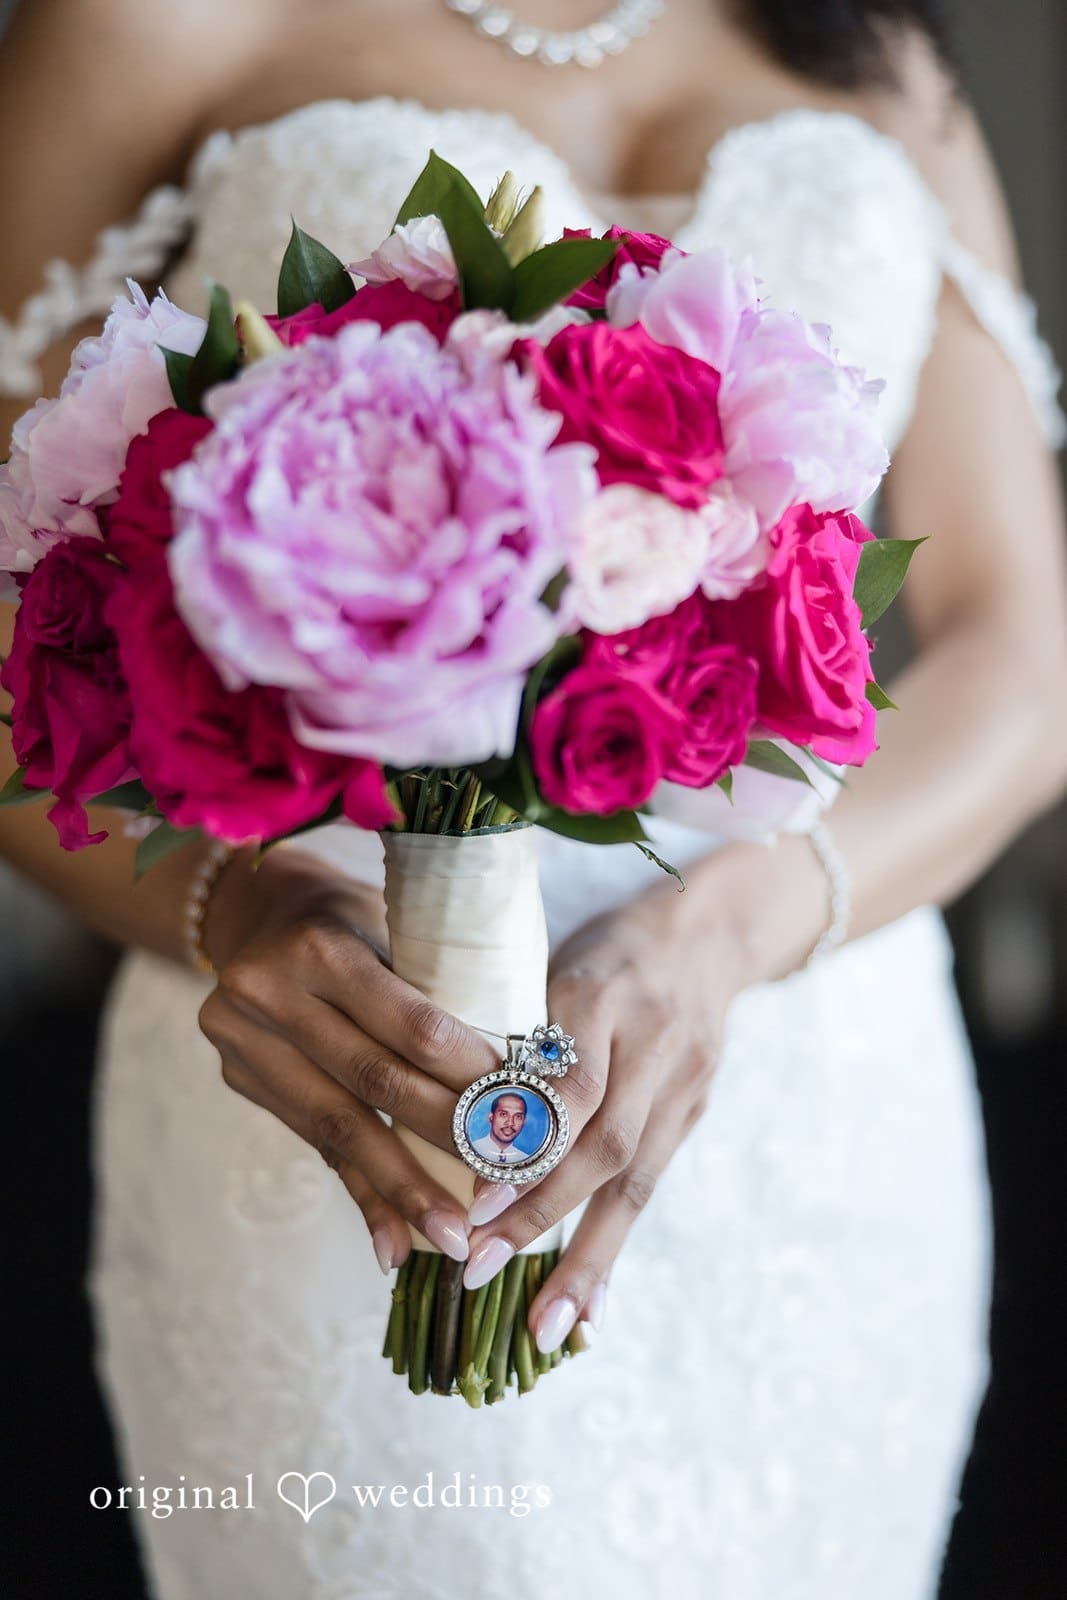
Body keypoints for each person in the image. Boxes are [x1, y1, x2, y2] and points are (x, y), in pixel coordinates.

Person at [2, 1, 1066, 1596]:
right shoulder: (147, 19)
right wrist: (239, 906)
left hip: (808, 1109)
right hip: (345, 1069)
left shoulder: (871, 50)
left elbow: (1021, 657)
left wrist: (725, 931)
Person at [471, 1093, 534, 1163]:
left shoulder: (526, 1160)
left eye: (518, 1116)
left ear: (524, 1122)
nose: (510, 1123)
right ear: (491, 1117)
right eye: (504, 1114)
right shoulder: (471, 1149)